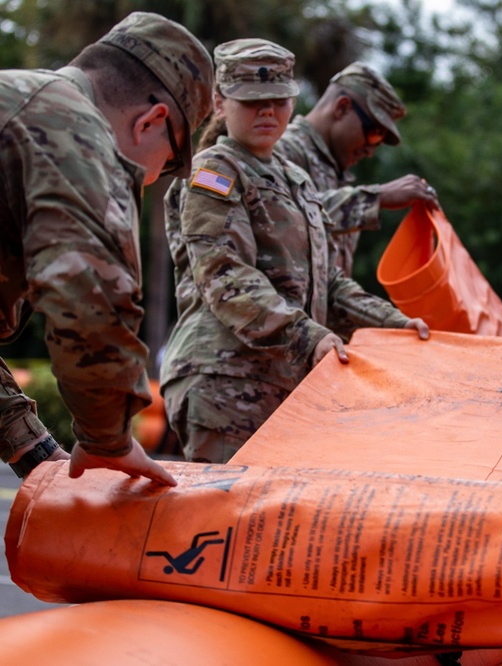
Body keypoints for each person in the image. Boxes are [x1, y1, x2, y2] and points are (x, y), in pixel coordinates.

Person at [160, 39, 429, 464]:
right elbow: (225, 275)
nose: (267, 111)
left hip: (282, 381)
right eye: (251, 101)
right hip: (225, 381)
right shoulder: (213, 171)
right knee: (230, 523)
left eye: (278, 101)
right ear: (219, 103)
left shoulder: (293, 178)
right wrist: (309, 337)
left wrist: (395, 324)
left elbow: (328, 282)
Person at [0, 12, 214, 484]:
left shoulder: (22, 100)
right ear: (152, 122)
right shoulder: (72, 128)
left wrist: (31, 446)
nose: (155, 178)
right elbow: (88, 301)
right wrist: (107, 439)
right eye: (171, 162)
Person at [274, 61, 440, 281]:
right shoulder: (280, 151)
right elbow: (280, 215)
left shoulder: (337, 176)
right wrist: (377, 197)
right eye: (374, 133)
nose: (371, 150)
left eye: (380, 141)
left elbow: (334, 286)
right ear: (342, 108)